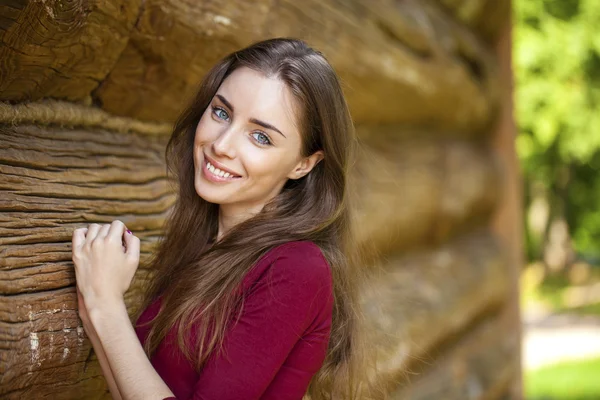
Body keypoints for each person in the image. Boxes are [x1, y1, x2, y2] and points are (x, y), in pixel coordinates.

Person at [71, 38, 374, 400]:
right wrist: (96, 307)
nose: (222, 145)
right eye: (221, 113)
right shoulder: (207, 244)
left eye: (260, 137)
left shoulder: (297, 270)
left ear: (303, 164)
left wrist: (107, 307)